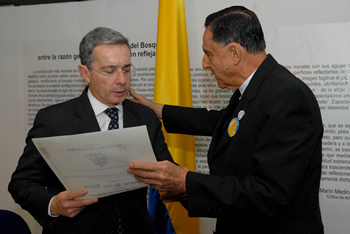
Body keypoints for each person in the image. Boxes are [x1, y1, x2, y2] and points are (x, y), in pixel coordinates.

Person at [127, 6, 324, 234]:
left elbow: (268, 194)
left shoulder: (288, 97)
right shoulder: (258, 88)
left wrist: (186, 182)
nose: (204, 63)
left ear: (234, 53)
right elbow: (220, 122)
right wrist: (156, 110)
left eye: (208, 53)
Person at [8, 27, 174, 233]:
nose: (122, 80)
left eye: (126, 69)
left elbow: (168, 173)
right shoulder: (54, 119)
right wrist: (53, 204)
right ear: (85, 73)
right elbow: (21, 183)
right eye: (109, 70)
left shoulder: (145, 117)